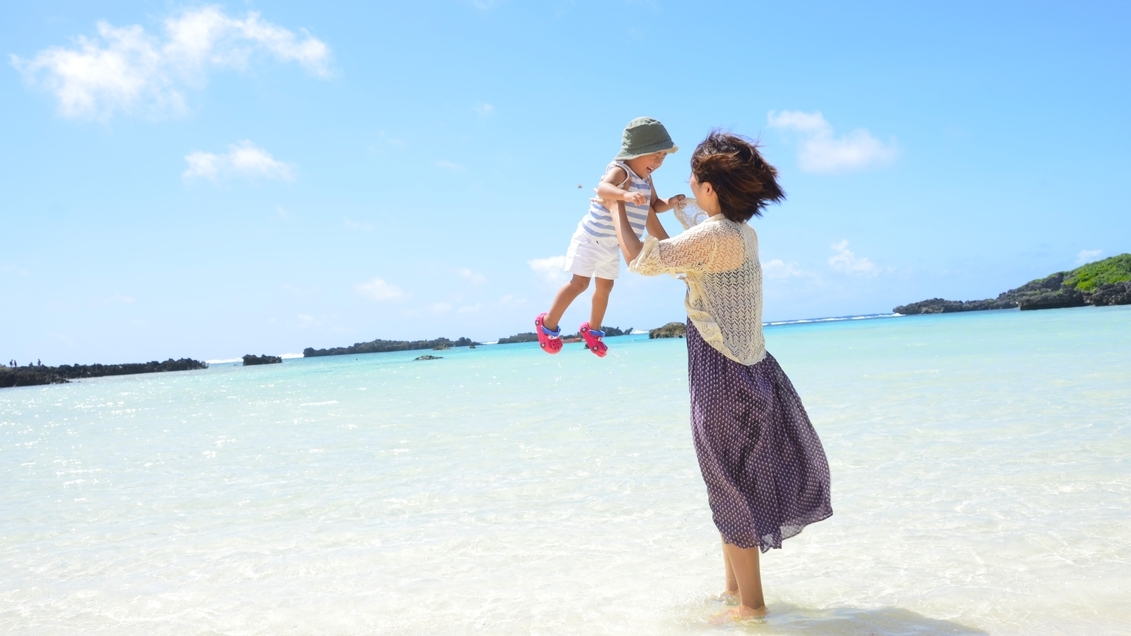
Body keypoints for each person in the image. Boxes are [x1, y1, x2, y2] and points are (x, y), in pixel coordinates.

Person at [610, 131, 833, 620]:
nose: (688, 185)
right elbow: (678, 257)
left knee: (728, 486)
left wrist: (613, 209)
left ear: (711, 189)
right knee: (733, 482)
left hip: (722, 375)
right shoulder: (738, 233)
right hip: (749, 371)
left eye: (694, 179)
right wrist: (649, 209)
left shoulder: (716, 235)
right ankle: (734, 591)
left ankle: (752, 608)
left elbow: (643, 261)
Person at [535, 117, 685, 357]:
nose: (659, 161)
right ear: (637, 151)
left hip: (612, 245)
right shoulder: (620, 169)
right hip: (590, 238)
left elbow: (654, 205)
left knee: (605, 287)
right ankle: (547, 323)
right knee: (580, 284)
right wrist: (624, 197)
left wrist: (672, 202)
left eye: (663, 156)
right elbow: (603, 189)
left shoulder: (647, 179)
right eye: (655, 155)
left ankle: (592, 330)